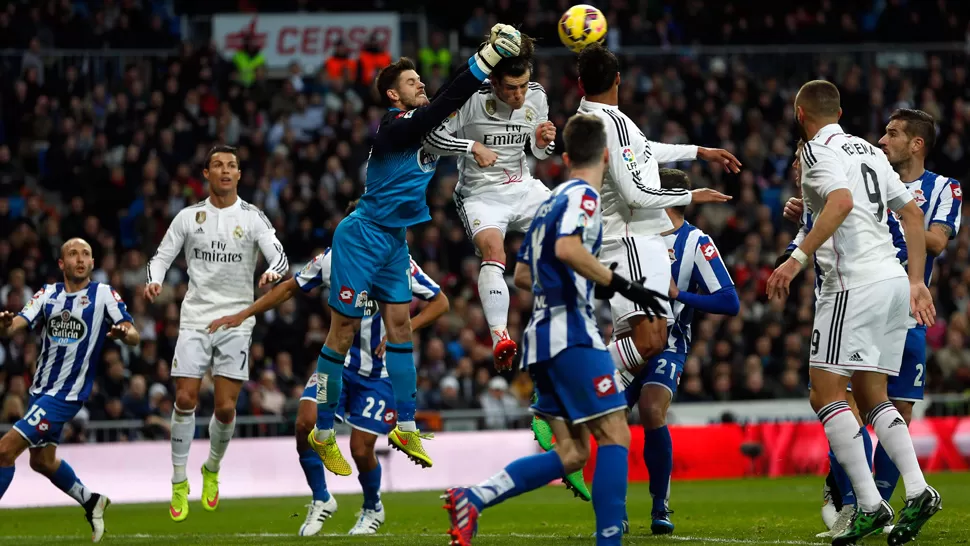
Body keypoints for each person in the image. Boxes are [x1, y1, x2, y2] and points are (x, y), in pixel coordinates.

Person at [442, 114, 667, 546]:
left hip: (540, 338)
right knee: (615, 431)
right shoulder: (583, 198)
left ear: (565, 157)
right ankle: (610, 540)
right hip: (572, 334)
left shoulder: (547, 202)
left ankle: (473, 498)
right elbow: (566, 249)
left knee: (573, 452)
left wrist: (579, 279)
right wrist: (619, 283)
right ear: (605, 155)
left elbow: (523, 274)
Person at [308, 25, 523, 474]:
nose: (420, 84)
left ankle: (405, 424)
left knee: (401, 329)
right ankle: (323, 431)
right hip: (361, 234)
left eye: (420, 79)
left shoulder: (425, 133)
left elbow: (451, 119)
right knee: (342, 333)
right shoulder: (394, 127)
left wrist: (496, 104)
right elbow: (446, 101)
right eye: (411, 82)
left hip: (393, 240)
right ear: (393, 96)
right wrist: (485, 55)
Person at [766, 80, 941, 546]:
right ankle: (919, 490)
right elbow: (912, 215)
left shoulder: (814, 151)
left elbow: (841, 202)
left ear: (801, 114)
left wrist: (795, 259)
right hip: (891, 280)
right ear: (839, 110)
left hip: (852, 284)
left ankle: (866, 502)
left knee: (824, 393)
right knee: (870, 393)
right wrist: (918, 281)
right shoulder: (868, 149)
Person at [207, 234, 448, 536]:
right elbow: (288, 289)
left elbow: (441, 302)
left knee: (360, 450)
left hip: (379, 375)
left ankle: (373, 506)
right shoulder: (332, 259)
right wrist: (244, 314)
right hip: (340, 365)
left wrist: (405, 328)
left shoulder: (398, 262)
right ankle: (321, 498)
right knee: (304, 424)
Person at [573, 43, 736, 405]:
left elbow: (645, 150)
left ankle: (584, 396)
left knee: (651, 341)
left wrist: (698, 152)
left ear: (581, 85)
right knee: (649, 342)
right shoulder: (611, 123)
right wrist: (691, 195)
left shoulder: (598, 118)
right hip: (629, 239)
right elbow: (636, 195)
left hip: (633, 239)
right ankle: (570, 386)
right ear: (618, 78)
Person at [143, 145, 290, 522]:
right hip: (195, 318)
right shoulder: (189, 217)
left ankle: (211, 468)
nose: (225, 171)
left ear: (239, 175)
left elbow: (280, 256)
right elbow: (160, 256)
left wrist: (272, 272)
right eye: (218, 165)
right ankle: (178, 479)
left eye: (232, 166)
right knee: (187, 397)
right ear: (206, 174)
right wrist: (155, 281)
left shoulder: (253, 217)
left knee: (225, 407)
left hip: (237, 319)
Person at [422, 33, 553, 369]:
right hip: (480, 194)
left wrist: (542, 142)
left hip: (522, 186)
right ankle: (500, 336)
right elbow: (431, 138)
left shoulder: (536, 96)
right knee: (495, 251)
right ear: (493, 81)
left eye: (523, 85)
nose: (520, 94)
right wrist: (470, 147)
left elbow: (539, 149)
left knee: (572, 220)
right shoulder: (471, 100)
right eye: (511, 88)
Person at [621, 168, 740, 534]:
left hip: (668, 344)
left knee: (651, 409)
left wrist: (679, 295)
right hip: (624, 340)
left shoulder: (696, 242)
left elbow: (729, 301)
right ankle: (615, 509)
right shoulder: (631, 233)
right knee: (606, 421)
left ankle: (661, 506)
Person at [0, 238, 141, 543]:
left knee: (3, 451)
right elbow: (17, 324)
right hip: (39, 391)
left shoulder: (103, 294)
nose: (80, 259)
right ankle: (91, 500)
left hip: (66, 395)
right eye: (73, 254)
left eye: (86, 254)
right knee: (41, 461)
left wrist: (123, 333)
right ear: (62, 264)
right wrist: (5, 326)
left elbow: (134, 335)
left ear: (92, 264)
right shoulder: (48, 294)